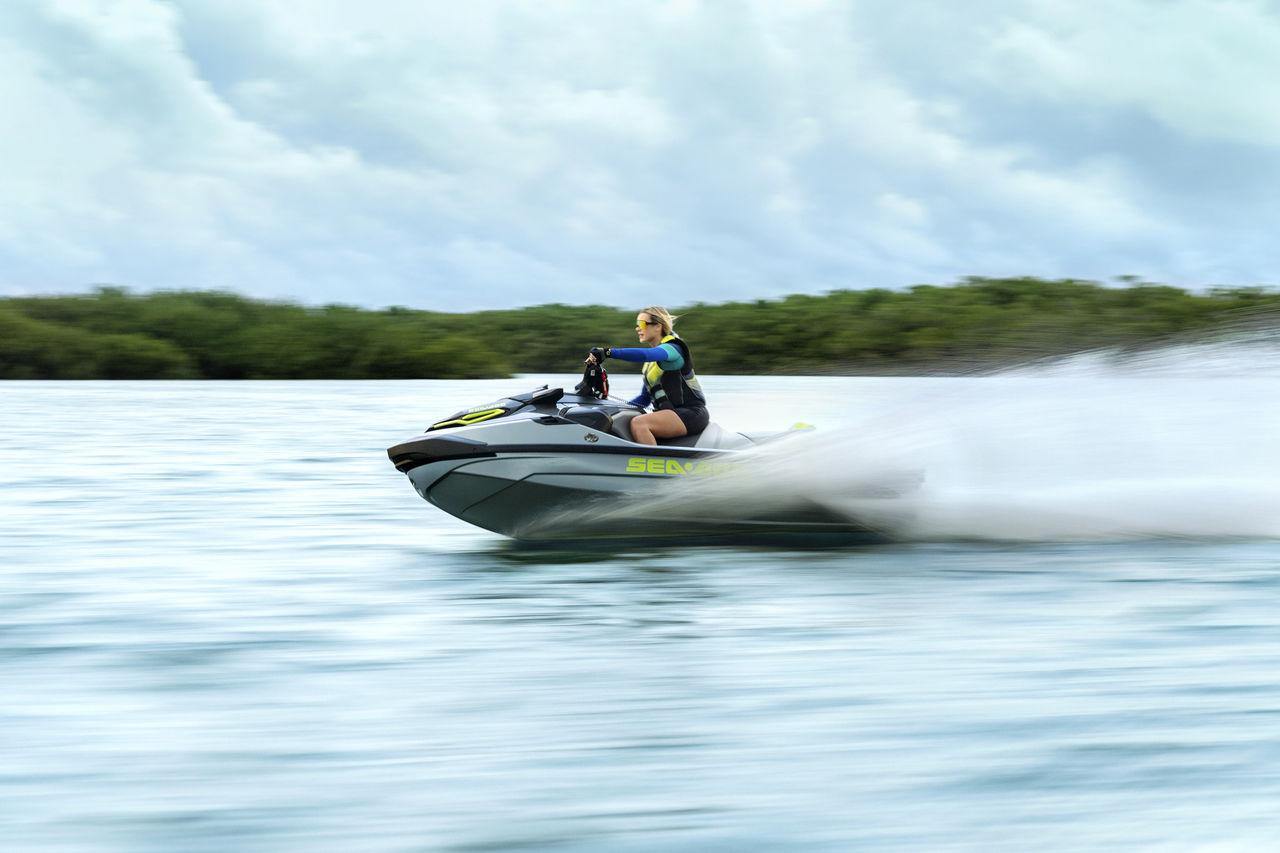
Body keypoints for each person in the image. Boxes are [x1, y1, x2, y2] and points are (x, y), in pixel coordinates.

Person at [587, 306, 709, 445]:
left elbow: (646, 355)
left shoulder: (674, 349)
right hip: (671, 414)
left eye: (642, 324)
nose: (637, 328)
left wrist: (608, 352)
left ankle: (654, 459)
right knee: (620, 419)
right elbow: (644, 399)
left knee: (639, 424)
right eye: (637, 324)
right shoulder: (652, 365)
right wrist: (611, 410)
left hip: (692, 414)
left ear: (658, 326)